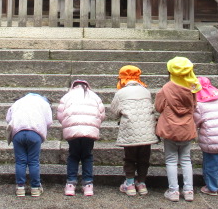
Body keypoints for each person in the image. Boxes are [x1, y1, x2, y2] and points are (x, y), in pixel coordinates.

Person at [155, 56, 201, 203]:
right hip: (186, 128)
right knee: (186, 160)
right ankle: (189, 190)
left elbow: (158, 107)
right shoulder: (192, 88)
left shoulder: (166, 89)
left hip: (170, 128)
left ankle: (174, 191)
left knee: (171, 160)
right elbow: (194, 106)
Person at [109, 65, 158, 197]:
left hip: (130, 130)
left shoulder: (120, 93)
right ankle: (141, 183)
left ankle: (129, 184)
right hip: (147, 130)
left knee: (129, 158)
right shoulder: (145, 91)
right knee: (144, 158)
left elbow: (114, 112)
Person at [56, 79, 106, 197]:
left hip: (72, 130)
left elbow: (60, 115)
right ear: (87, 86)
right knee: (87, 156)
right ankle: (88, 185)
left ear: (74, 86)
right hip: (89, 131)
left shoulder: (67, 96)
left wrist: (68, 124)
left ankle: (70, 184)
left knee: (73, 156)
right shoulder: (95, 96)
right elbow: (102, 114)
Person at [6, 93, 53, 197]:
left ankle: (20, 187)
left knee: (20, 161)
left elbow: (8, 118)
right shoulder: (43, 104)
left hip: (18, 133)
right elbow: (49, 121)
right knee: (33, 161)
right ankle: (35, 187)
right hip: (35, 133)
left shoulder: (18, 102)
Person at [193, 76, 218, 196]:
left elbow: (196, 122)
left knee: (211, 165)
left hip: (211, 140)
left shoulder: (199, 105)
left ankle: (212, 187)